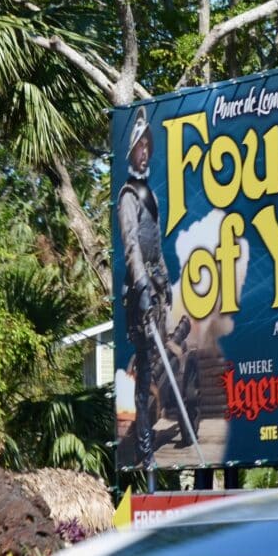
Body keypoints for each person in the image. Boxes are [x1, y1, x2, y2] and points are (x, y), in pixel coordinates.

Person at [118, 106, 172, 469]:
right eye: (140, 146)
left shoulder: (151, 196)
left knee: (159, 367)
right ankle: (144, 448)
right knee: (145, 374)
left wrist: (164, 282)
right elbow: (132, 247)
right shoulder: (127, 196)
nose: (144, 152)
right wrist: (142, 288)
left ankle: (148, 436)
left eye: (147, 146)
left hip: (155, 288)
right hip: (139, 295)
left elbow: (157, 247)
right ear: (132, 151)